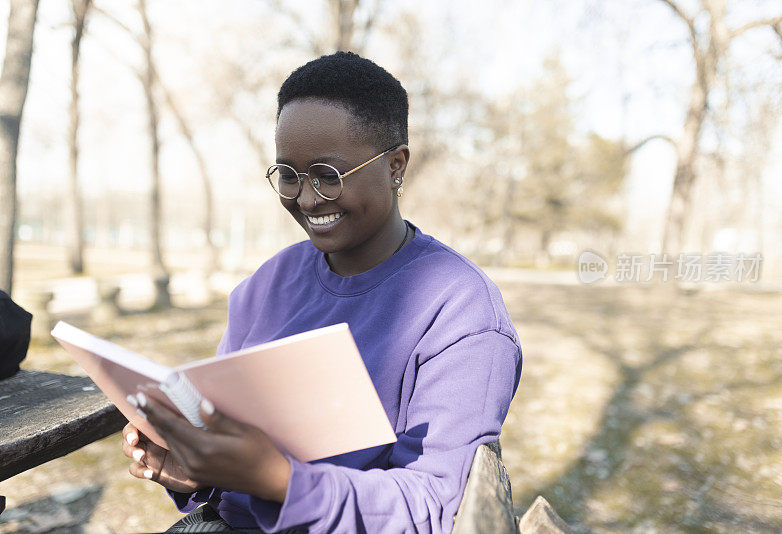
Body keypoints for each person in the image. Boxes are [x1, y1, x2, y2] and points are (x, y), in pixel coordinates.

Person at [121, 51, 522, 533]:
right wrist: (192, 469)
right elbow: (229, 453)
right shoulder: (269, 283)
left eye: (328, 176)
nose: (307, 199)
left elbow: (433, 505)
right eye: (289, 175)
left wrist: (282, 481)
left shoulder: (458, 309)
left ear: (396, 165)